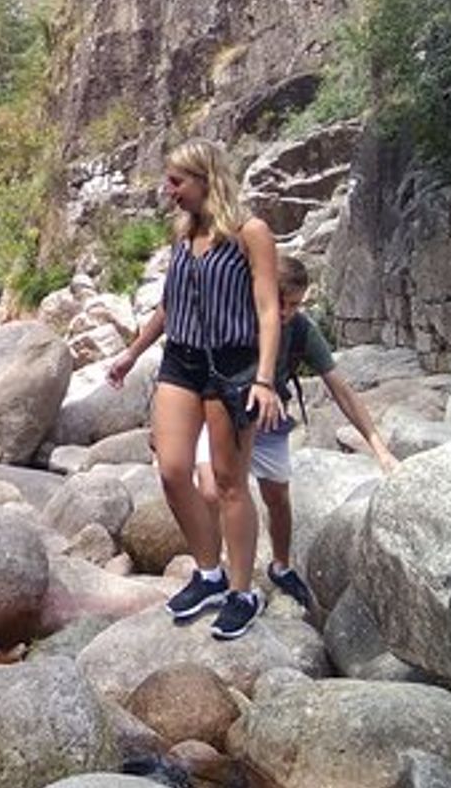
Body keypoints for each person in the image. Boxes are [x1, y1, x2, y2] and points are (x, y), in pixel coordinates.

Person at [104, 139, 281, 640]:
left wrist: (265, 380)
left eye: (177, 181)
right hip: (181, 361)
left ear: (206, 179)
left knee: (228, 483)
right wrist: (132, 353)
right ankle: (209, 573)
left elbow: (269, 310)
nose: (169, 191)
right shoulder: (182, 236)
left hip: (232, 366)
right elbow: (169, 306)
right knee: (173, 470)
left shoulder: (251, 233)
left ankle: (243, 592)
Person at [190, 253, 400, 615]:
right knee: (210, 489)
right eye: (282, 303)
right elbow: (189, 373)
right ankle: (213, 572)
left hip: (267, 418)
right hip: (220, 412)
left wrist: (379, 448)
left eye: (296, 304)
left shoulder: (302, 330)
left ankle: (281, 566)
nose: (287, 312)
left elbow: (340, 389)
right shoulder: (228, 319)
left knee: (277, 496)